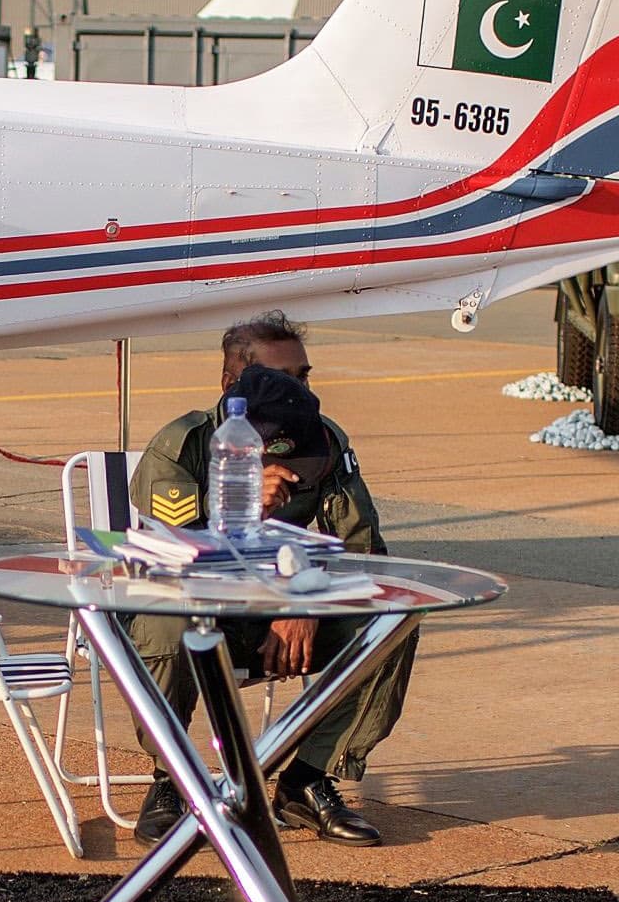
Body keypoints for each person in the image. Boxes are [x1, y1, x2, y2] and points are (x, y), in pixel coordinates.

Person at [126, 312, 411, 848]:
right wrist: (238, 509)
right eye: (285, 378)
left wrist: (298, 603)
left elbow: (364, 554)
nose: (301, 391)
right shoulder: (184, 445)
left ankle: (306, 781)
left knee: (391, 619)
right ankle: (172, 780)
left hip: (281, 613)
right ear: (233, 385)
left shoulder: (322, 442)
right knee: (165, 619)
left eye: (303, 376)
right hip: (198, 611)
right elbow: (169, 559)